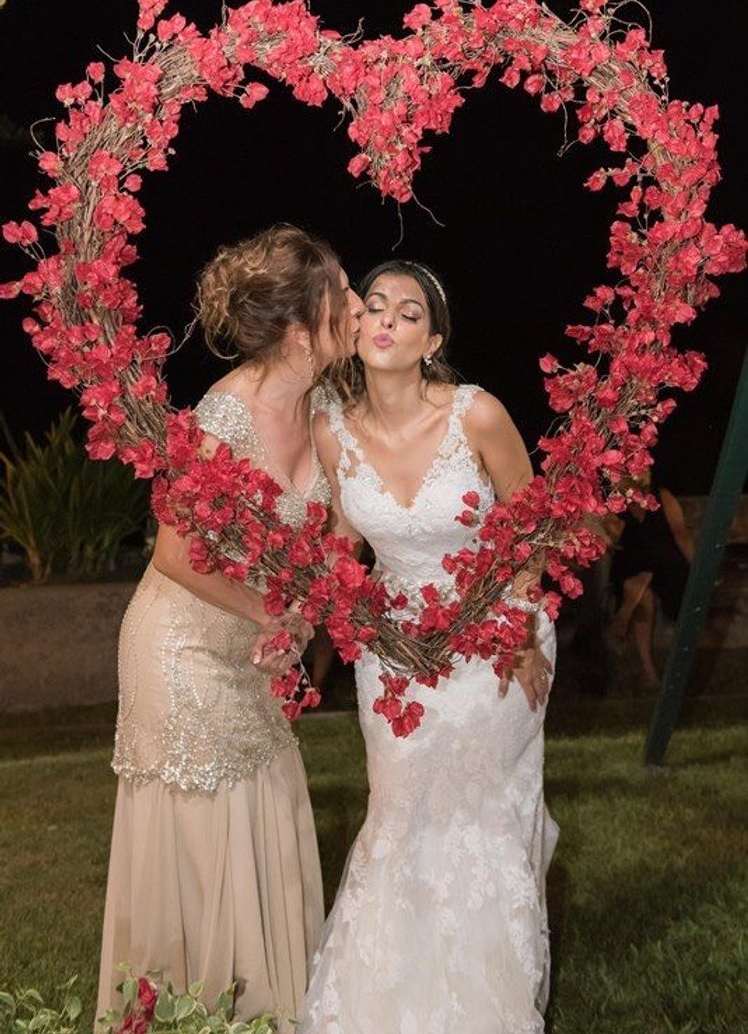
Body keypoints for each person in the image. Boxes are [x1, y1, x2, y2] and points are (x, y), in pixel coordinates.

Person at [97, 224, 362, 1031]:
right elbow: (176, 554)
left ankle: (267, 1012)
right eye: (342, 294)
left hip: (255, 650)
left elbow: (342, 534)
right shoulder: (224, 413)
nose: (357, 306)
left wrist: (307, 613)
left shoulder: (326, 407)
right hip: (180, 649)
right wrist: (270, 615)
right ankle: (190, 1012)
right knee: (209, 839)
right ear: (296, 326)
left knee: (269, 823)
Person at [300, 259, 557, 1034]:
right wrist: (323, 610)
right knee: (401, 812)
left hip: (493, 639)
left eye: (408, 313)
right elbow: (347, 542)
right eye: (374, 305)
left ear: (432, 338)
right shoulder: (332, 433)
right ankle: (385, 1005)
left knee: (477, 817)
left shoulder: (477, 414)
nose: (384, 320)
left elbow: (532, 524)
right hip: (397, 652)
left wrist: (518, 633)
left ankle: (487, 1004)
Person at [609, 469, 695, 689]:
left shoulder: (662, 496)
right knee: (642, 587)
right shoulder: (617, 503)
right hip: (633, 565)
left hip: (666, 565)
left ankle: (622, 618)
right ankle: (649, 673)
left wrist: (698, 569)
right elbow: (611, 542)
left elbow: (681, 534)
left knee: (643, 580)